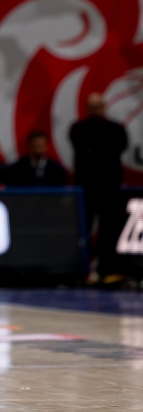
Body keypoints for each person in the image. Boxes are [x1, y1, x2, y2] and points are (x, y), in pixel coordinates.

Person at [70, 92, 128, 279]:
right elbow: (83, 148)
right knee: (83, 227)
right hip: (86, 188)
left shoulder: (116, 129)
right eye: (92, 107)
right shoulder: (78, 128)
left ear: (104, 107)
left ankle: (106, 268)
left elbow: (117, 147)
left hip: (108, 187)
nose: (95, 110)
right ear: (87, 109)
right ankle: (82, 269)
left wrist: (95, 150)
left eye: (98, 106)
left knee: (108, 229)